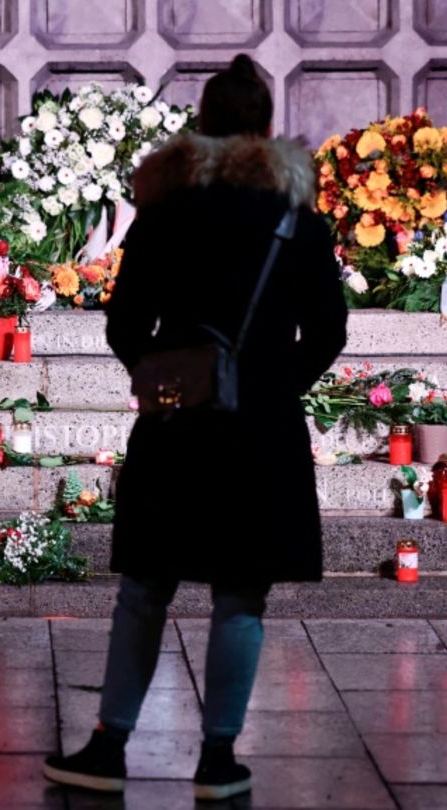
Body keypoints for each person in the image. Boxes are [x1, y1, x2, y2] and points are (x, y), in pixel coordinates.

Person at [43, 54, 348, 801]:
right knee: (241, 594)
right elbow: (329, 332)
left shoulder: (168, 210)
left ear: (202, 127)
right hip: (262, 432)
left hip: (175, 424)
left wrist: (162, 378)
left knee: (145, 587)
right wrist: (273, 386)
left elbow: (123, 323)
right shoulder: (296, 219)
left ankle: (108, 746)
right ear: (266, 130)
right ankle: (218, 759)